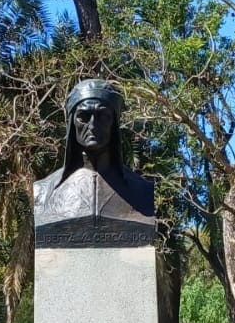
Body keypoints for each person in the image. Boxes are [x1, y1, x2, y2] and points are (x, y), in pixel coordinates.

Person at [32, 79, 156, 248]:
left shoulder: (143, 191)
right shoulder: (44, 191)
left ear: (114, 123)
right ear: (72, 122)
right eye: (83, 117)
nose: (92, 126)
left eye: (102, 116)